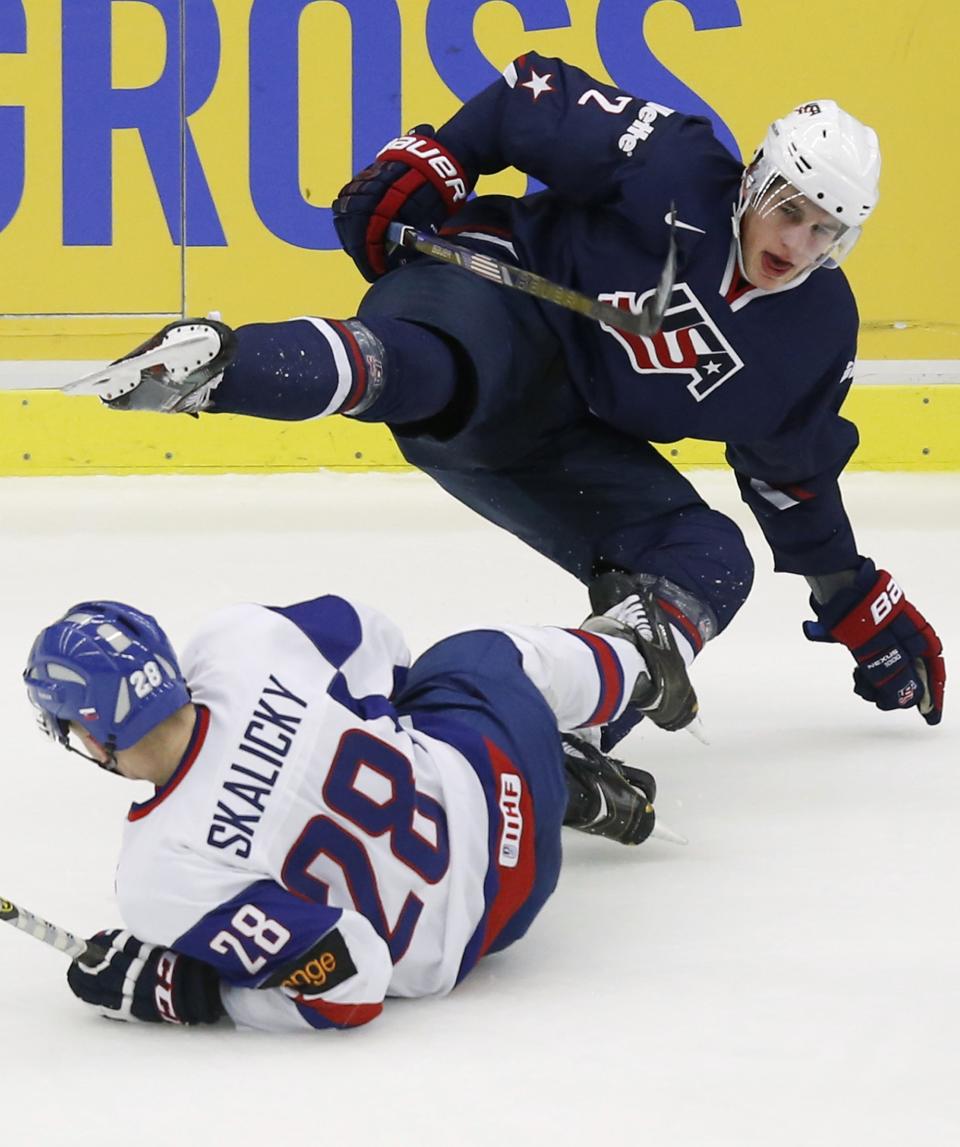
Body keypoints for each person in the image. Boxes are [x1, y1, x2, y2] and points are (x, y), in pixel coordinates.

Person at [68, 52, 944, 735]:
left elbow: (787, 469)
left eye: (828, 230)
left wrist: (848, 594)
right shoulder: (675, 163)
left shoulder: (814, 331)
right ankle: (219, 367)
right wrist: (436, 161)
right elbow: (531, 99)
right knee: (444, 369)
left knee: (710, 556)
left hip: (551, 442)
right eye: (791, 208)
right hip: (487, 298)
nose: (799, 241)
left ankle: (576, 705)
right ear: (756, 177)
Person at [24, 589, 671, 1030]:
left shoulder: (158, 878)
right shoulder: (242, 643)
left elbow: (349, 986)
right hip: (500, 781)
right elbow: (379, 641)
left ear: (84, 733)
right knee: (479, 658)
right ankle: (641, 667)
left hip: (488, 927)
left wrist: (195, 993)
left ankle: (577, 774)